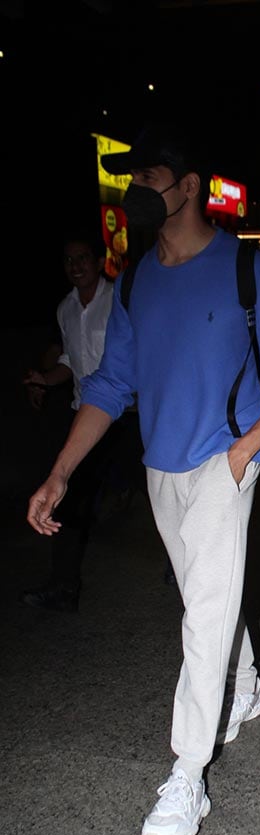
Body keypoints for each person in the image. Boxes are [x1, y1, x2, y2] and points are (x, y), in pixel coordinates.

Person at [26, 122, 260, 835]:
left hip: (226, 460)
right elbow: (110, 384)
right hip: (161, 466)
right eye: (129, 181)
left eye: (149, 178)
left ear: (189, 187)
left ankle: (187, 774)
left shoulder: (249, 270)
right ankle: (245, 689)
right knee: (206, 596)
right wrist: (59, 473)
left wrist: (246, 450)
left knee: (201, 614)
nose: (133, 192)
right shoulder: (134, 282)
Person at [21, 232, 119, 612]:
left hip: (129, 413)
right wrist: (44, 380)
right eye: (68, 260)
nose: (76, 266)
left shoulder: (119, 301)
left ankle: (181, 567)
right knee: (69, 498)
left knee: (163, 491)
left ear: (99, 262)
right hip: (87, 415)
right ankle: (64, 587)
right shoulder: (65, 309)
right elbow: (70, 363)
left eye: (82, 258)